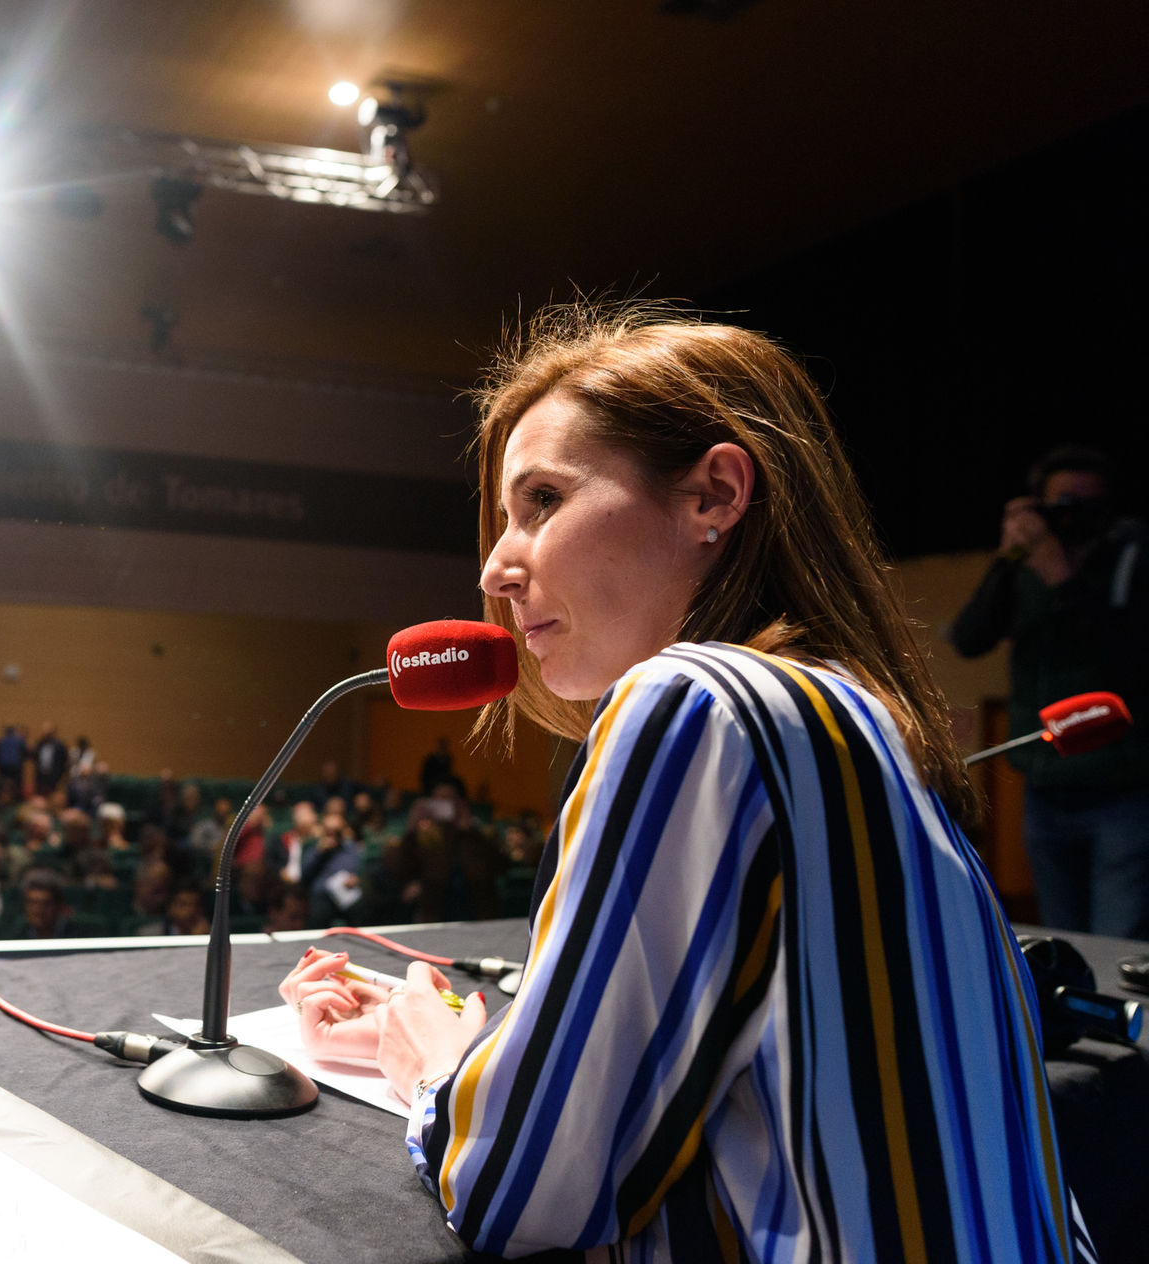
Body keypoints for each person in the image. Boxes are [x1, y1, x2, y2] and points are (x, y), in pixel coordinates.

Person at [279, 307, 1093, 1261]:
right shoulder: (861, 713)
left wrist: (435, 1064)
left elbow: (517, 1189)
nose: (496, 568)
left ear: (715, 495)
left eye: (542, 500)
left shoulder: (696, 700)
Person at [949, 445, 1149, 937]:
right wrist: (1008, 557)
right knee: (1063, 936)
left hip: (1121, 787)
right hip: (1045, 786)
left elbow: (1128, 660)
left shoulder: (1131, 557)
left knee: (1116, 939)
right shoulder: (1027, 566)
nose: (1073, 514)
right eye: (1061, 503)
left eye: (1087, 502)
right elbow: (969, 638)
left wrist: (1062, 577)